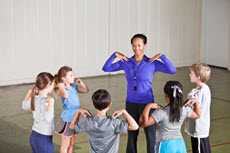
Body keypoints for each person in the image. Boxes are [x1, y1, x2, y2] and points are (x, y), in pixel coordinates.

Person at [102, 33, 176, 153]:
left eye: (139, 45)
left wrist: (162, 57)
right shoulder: (126, 62)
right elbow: (106, 68)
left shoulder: (151, 63)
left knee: (150, 135)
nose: (136, 48)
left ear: (144, 45)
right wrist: (114, 55)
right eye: (134, 46)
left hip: (147, 103)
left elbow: (172, 70)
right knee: (132, 135)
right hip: (131, 103)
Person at [69, 89, 139, 153]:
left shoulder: (87, 122)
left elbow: (71, 128)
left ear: (94, 105)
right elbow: (135, 126)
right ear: (110, 104)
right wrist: (124, 112)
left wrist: (78, 112)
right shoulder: (114, 123)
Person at [142, 81, 201, 153]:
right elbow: (197, 115)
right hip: (180, 144)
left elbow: (145, 123)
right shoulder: (184, 110)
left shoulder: (161, 112)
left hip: (166, 145)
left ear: (167, 97)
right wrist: (196, 102)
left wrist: (148, 106)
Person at [55, 66, 89, 153]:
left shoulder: (73, 86)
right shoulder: (62, 89)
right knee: (65, 145)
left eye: (73, 75)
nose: (73, 77)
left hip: (76, 118)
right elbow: (65, 95)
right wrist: (60, 84)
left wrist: (81, 83)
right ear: (63, 78)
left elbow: (86, 90)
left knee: (71, 144)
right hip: (68, 120)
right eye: (70, 75)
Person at [22, 72, 55, 153]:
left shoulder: (34, 98)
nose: (54, 86)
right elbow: (48, 118)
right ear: (48, 84)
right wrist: (50, 105)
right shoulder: (49, 100)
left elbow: (24, 106)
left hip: (34, 136)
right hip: (44, 139)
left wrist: (29, 93)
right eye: (53, 84)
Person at [185, 63, 212, 153]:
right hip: (195, 129)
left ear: (199, 76)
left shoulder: (203, 91)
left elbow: (196, 109)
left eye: (191, 73)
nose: (189, 74)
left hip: (199, 129)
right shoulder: (197, 89)